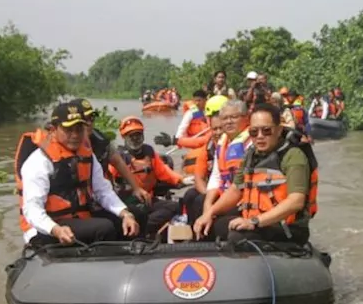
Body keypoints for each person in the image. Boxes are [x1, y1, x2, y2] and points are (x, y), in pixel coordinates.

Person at [193, 102, 318, 245]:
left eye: (266, 131)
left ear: (278, 130)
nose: (259, 136)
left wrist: (254, 221)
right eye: (254, 132)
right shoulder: (251, 154)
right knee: (208, 227)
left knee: (238, 237)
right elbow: (235, 190)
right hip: (258, 223)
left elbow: (296, 201)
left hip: (285, 228)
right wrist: (209, 213)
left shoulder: (293, 156)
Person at [15, 101, 139, 245]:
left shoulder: (87, 155)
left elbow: (103, 191)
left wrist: (125, 214)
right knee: (104, 228)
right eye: (68, 130)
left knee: (136, 215)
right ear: (53, 129)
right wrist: (55, 229)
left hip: (78, 217)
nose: (75, 135)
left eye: (79, 129)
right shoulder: (39, 161)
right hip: (45, 227)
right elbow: (33, 210)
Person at [109, 116, 190, 235]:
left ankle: (146, 229)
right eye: (131, 136)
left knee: (175, 207)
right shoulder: (118, 157)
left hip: (148, 200)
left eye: (138, 135)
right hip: (128, 201)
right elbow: (108, 179)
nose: (135, 139)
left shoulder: (149, 153)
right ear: (124, 137)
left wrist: (182, 179)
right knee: (137, 213)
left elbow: (165, 172)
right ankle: (140, 229)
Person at [77, 99, 151, 206]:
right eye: (84, 119)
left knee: (140, 208)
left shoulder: (101, 141)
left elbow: (118, 162)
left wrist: (136, 188)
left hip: (102, 195)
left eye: (91, 118)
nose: (89, 123)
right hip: (82, 200)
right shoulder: (68, 143)